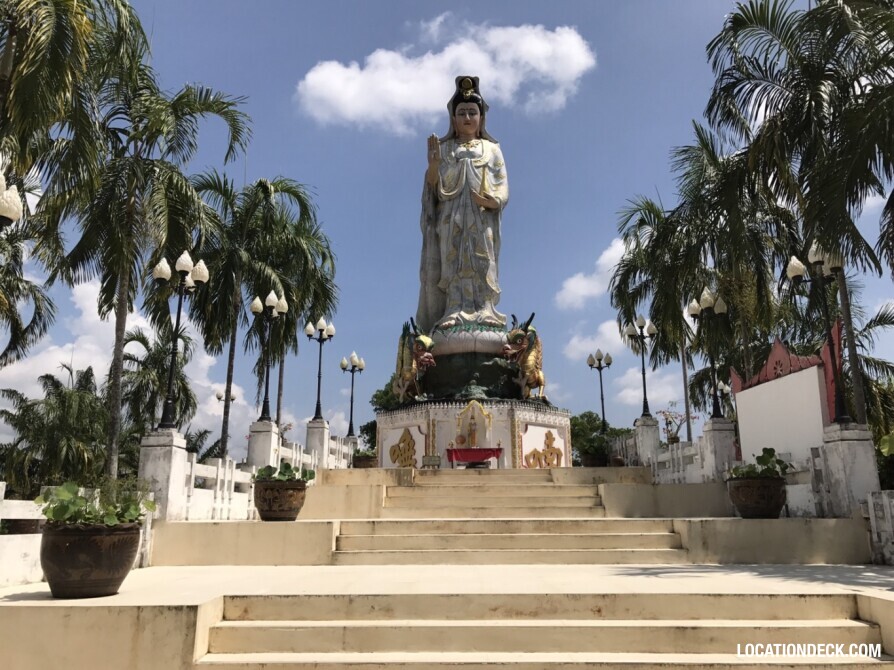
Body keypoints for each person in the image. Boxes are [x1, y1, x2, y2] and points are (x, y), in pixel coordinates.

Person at [416, 76, 509, 332]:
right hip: (451, 216)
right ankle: (453, 308)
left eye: (472, 112)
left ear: (481, 119)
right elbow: (434, 190)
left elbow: (502, 184)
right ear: (454, 120)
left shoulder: (492, 149)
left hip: (482, 217)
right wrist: (433, 166)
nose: (467, 117)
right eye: (462, 113)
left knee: (483, 260)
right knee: (453, 260)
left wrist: (493, 200)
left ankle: (485, 308)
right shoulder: (446, 149)